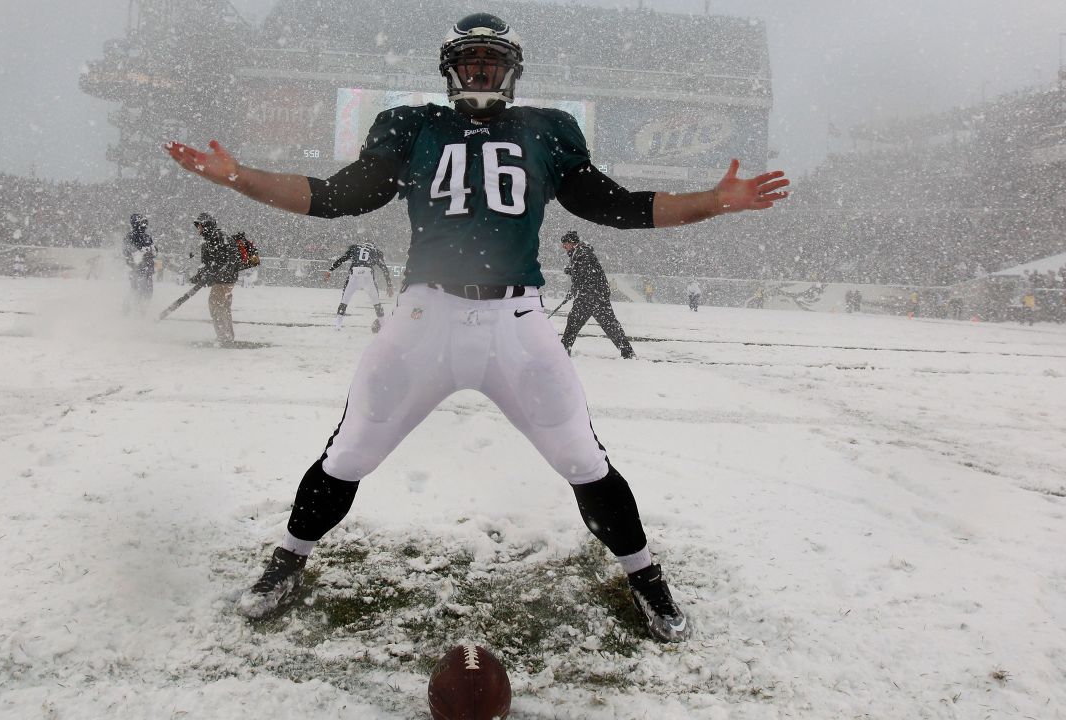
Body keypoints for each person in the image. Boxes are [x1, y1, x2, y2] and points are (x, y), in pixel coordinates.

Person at [165, 12, 788, 643]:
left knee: (581, 457)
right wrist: (239, 177)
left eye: (490, 60)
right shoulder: (412, 124)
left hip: (515, 321)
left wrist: (712, 201)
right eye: (470, 60)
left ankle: (646, 576)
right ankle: (288, 559)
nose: (480, 70)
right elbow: (338, 195)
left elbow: (613, 205)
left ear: (511, 69)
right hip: (422, 319)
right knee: (350, 452)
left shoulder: (548, 129)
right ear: (450, 68)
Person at [558, 231, 636, 358]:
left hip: (591, 296)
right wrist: (573, 273)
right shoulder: (580, 253)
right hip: (595, 295)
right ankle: (627, 352)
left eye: (565, 244)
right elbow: (582, 275)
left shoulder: (583, 254)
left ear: (572, 243)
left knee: (574, 323)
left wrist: (573, 273)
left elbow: (584, 275)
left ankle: (562, 351)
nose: (564, 247)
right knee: (609, 325)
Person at [190, 212, 241, 345]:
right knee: (223, 307)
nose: (198, 229)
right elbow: (206, 263)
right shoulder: (208, 240)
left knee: (216, 305)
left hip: (225, 279)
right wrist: (199, 276)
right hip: (223, 279)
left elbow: (231, 258)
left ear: (207, 225)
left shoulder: (219, 237)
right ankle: (227, 336)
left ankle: (224, 337)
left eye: (200, 225)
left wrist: (217, 274)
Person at [326, 240, 394, 332]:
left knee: (344, 300)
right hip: (367, 274)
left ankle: (338, 324)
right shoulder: (374, 251)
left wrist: (330, 270)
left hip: (355, 273)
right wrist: (389, 285)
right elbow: (384, 268)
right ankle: (383, 325)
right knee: (376, 302)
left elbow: (342, 259)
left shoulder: (355, 248)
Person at [123, 213, 157, 315]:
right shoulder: (130, 236)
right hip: (136, 270)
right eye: (142, 223)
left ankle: (141, 311)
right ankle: (129, 310)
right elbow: (128, 252)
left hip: (148, 269)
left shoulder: (147, 237)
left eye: (145, 223)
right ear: (136, 223)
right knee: (136, 290)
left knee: (148, 292)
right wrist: (143, 253)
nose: (144, 225)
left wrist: (150, 251)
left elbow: (154, 251)